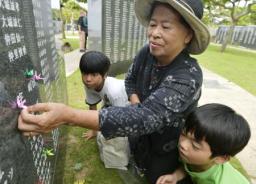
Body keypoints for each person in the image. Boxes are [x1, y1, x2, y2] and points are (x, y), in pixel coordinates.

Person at [18, 0, 210, 183]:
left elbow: (147, 117)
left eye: (166, 27)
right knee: (138, 164)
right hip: (139, 139)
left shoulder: (188, 76)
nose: (154, 33)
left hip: (166, 148)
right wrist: (135, 101)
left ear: (188, 35)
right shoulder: (147, 52)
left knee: (157, 177)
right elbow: (131, 80)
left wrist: (68, 116)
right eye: (152, 24)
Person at [156, 103, 251, 184]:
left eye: (195, 146)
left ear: (221, 158)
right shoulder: (197, 160)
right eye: (183, 134)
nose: (183, 144)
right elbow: (190, 167)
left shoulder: (220, 181)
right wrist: (175, 176)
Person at [79, 51, 130, 170]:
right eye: (84, 73)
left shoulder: (115, 91)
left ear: (104, 75)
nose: (88, 79)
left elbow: (121, 120)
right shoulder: (89, 85)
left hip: (128, 106)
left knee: (118, 137)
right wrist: (94, 130)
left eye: (93, 74)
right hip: (111, 105)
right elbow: (92, 107)